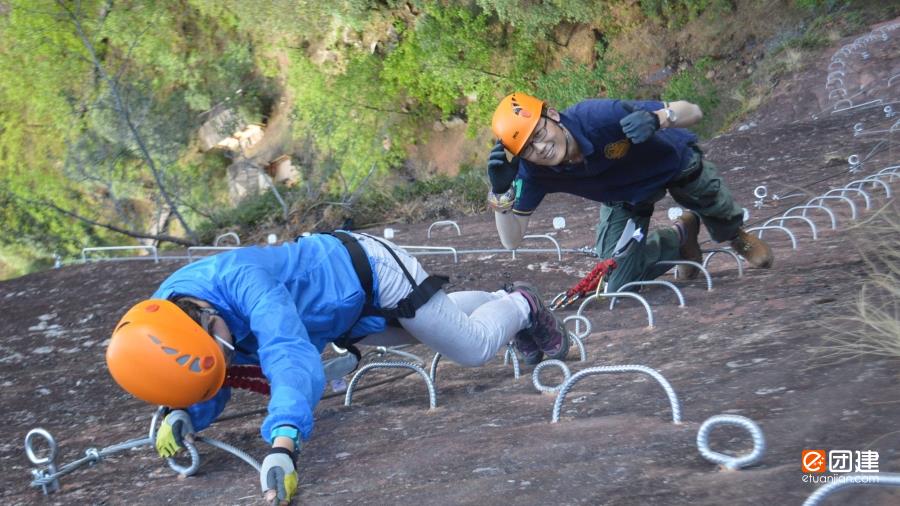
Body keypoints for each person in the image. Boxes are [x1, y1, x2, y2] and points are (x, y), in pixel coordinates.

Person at [105, 231, 568, 504]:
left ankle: (521, 303)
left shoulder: (241, 280)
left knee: (470, 348)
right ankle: (496, 305)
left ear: (205, 317)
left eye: (222, 347)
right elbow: (208, 374)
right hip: (334, 314)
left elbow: (288, 354)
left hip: (366, 272)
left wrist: (284, 443)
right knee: (431, 328)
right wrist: (183, 412)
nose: (227, 358)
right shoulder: (170, 320)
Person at [486, 92, 774, 291]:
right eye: (527, 149)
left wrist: (659, 118)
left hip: (670, 165)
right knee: (617, 282)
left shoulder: (597, 116)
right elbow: (511, 241)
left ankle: (735, 234)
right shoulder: (533, 171)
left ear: (551, 114)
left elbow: (693, 111)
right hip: (624, 196)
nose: (540, 148)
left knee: (699, 184)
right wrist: (500, 194)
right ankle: (681, 238)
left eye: (538, 134)